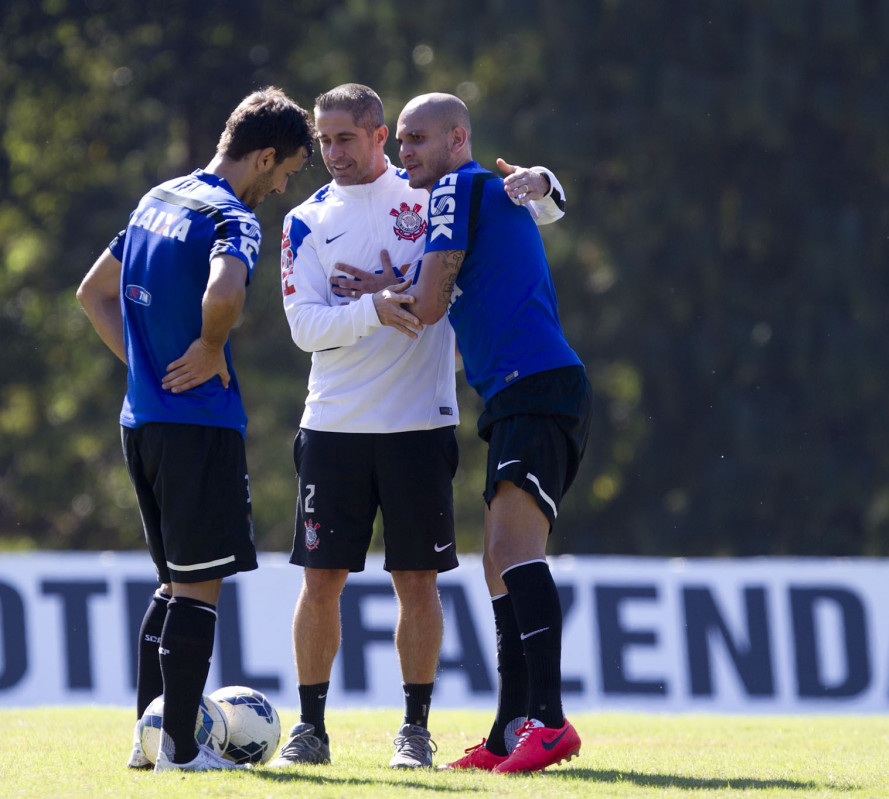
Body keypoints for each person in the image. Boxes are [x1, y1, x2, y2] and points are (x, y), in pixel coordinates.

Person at [267, 83, 567, 770]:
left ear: (378, 135)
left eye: (346, 138)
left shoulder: (433, 194)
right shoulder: (305, 221)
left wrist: (544, 181)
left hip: (420, 423)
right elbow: (303, 327)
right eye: (323, 140)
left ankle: (414, 728)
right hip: (334, 423)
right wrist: (374, 307)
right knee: (321, 581)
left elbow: (534, 211)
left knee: (417, 582)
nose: (332, 152)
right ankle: (309, 728)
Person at [75, 87, 314, 772]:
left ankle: (147, 741)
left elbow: (93, 292)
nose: (282, 185)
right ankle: (181, 749)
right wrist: (209, 348)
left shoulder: (159, 198)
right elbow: (226, 292)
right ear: (263, 156)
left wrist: (146, 367)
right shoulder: (231, 216)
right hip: (197, 425)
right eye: (287, 170)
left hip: (142, 420)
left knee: (171, 585)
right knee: (198, 589)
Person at [387, 92, 591, 774]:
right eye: (401, 140)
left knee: (512, 548)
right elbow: (544, 201)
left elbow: (431, 300)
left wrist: (367, 299)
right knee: (496, 558)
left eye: (417, 137)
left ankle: (551, 721)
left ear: (458, 137)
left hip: (535, 383)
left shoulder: (454, 190)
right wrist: (542, 181)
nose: (403, 150)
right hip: (518, 391)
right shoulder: (479, 192)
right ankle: (510, 729)